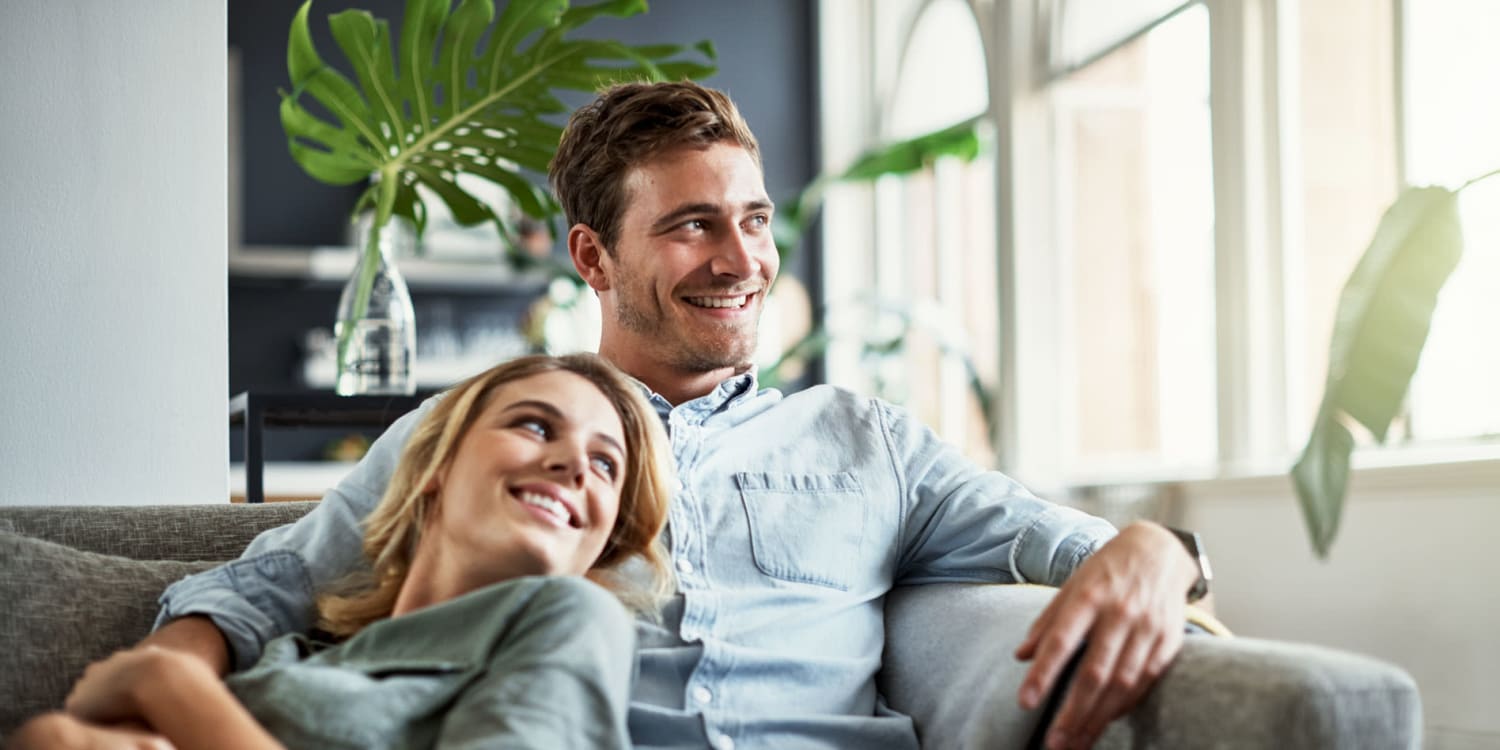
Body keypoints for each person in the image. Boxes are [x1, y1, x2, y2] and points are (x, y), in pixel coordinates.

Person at [74, 81, 1205, 750]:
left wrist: (1158, 551)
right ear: (592, 256)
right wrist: (154, 700)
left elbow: (1075, 543)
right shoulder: (496, 438)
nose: (742, 259)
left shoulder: (871, 443)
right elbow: (269, 580)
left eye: (755, 220)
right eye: (693, 226)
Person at [8, 354, 674, 750]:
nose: (573, 464)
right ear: (434, 469)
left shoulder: (576, 621)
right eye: (534, 425)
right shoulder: (296, 651)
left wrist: (171, 689)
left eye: (606, 465)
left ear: (601, 535)